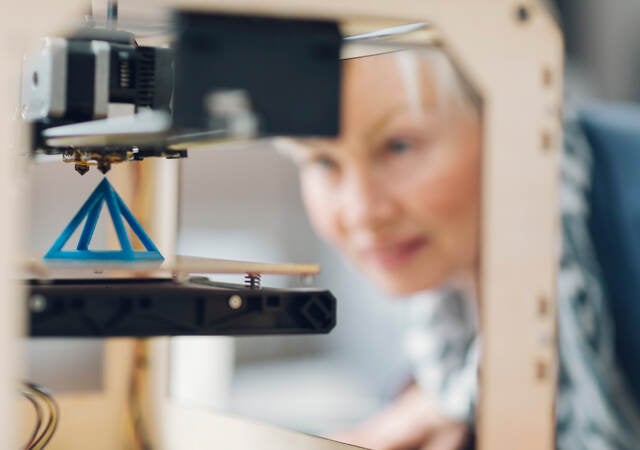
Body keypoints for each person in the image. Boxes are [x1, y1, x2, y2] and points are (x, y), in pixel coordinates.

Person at [278, 48, 640, 449]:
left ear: (507, 119)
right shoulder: (439, 312)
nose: (362, 212)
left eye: (398, 146)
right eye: (323, 162)